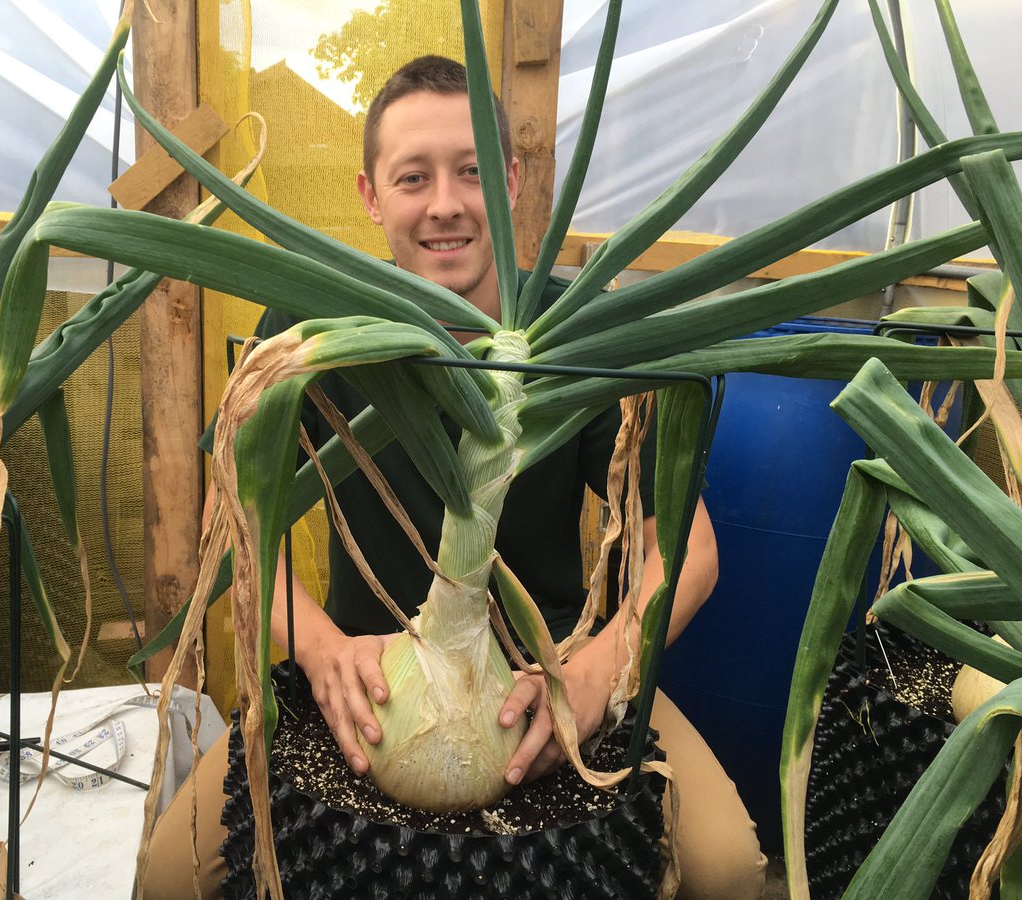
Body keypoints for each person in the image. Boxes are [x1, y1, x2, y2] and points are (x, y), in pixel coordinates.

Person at [147, 55, 766, 899]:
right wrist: (321, 649)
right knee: (168, 877)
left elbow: (690, 550)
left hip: (546, 676)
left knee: (729, 870)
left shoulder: (574, 331)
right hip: (369, 679)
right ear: (371, 195)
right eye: (414, 177)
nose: (446, 203)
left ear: (510, 183)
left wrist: (596, 676)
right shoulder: (308, 327)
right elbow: (234, 520)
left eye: (472, 172)